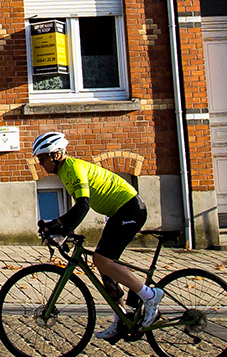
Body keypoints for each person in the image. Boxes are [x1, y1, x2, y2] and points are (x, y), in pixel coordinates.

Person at [32, 131, 162, 341]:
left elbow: (83, 206)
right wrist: (54, 225)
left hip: (129, 209)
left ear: (56, 155)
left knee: (102, 260)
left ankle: (150, 295)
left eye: (42, 158)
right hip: (118, 213)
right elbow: (77, 208)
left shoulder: (73, 168)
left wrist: (63, 230)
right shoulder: (65, 172)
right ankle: (121, 318)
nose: (41, 164)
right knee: (104, 265)